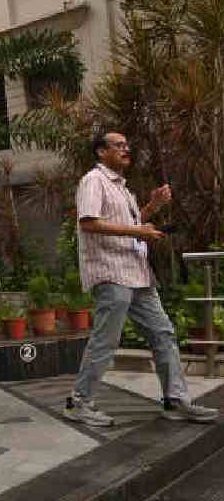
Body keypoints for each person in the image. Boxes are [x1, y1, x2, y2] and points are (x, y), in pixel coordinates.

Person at [65, 132, 219, 425]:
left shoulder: (123, 189)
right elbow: (88, 222)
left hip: (138, 274)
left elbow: (129, 224)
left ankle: (175, 401)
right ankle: (79, 403)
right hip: (111, 273)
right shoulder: (93, 181)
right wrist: (140, 232)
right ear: (100, 152)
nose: (126, 149)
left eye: (126, 144)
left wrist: (152, 207)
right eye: (118, 145)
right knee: (106, 340)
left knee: (163, 334)